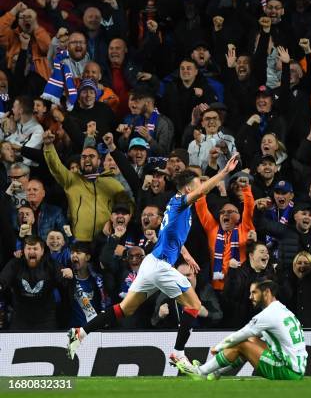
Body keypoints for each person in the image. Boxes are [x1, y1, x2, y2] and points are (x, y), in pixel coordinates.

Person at [66, 154, 240, 369]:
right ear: (188, 189)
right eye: (196, 186)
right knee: (194, 306)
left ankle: (80, 332)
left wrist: (185, 254)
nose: (199, 189)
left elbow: (169, 234)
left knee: (124, 309)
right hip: (160, 266)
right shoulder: (179, 203)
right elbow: (202, 191)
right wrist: (223, 173)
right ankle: (178, 353)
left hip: (151, 263)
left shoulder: (179, 208)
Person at [175, 280, 307, 381]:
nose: (250, 297)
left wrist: (220, 346)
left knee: (241, 342)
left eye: (254, 292)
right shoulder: (281, 309)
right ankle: (215, 372)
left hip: (287, 370)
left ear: (266, 292)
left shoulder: (269, 314)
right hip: (296, 368)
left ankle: (201, 372)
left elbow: (241, 334)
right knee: (251, 340)